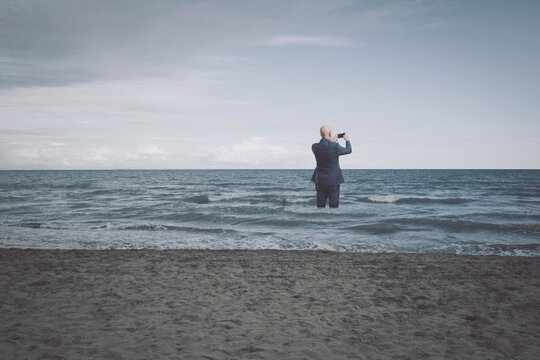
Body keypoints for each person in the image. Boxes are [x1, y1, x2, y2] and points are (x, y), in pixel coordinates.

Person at [311, 125, 352, 208]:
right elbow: (348, 150)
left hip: (320, 181)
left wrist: (332, 141)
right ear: (330, 133)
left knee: (320, 207)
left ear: (320, 134)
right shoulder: (335, 146)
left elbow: (326, 148)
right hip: (333, 181)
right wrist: (347, 140)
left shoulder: (314, 147)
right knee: (333, 208)